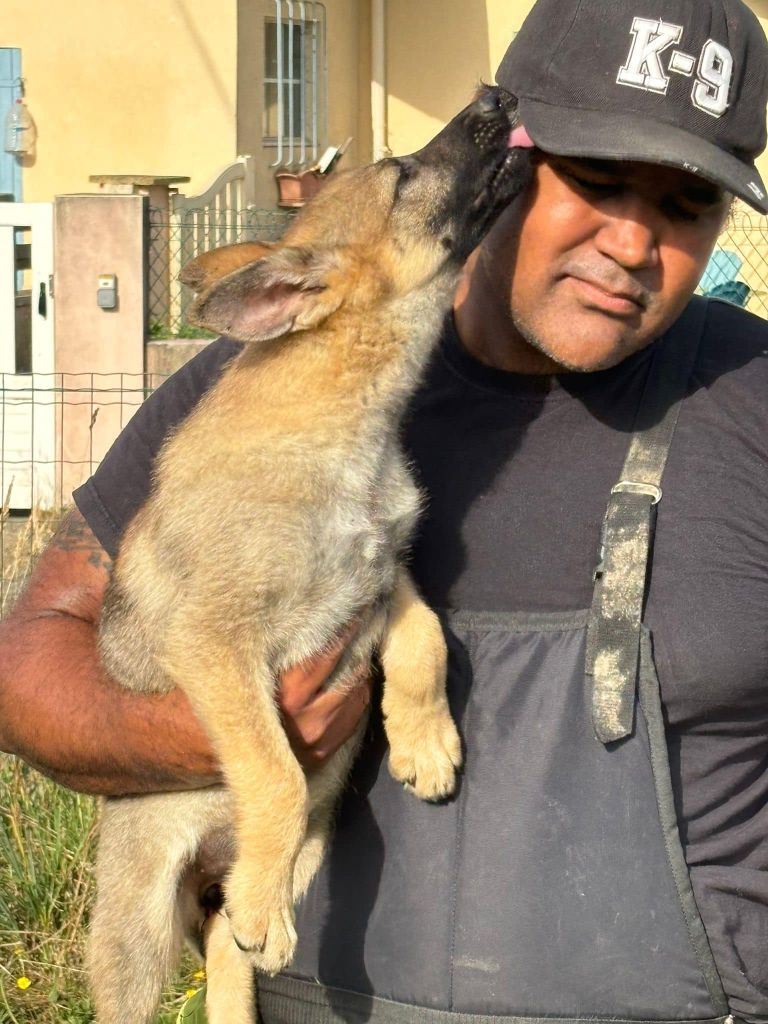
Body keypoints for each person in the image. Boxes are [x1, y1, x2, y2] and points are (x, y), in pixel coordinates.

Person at [2, 0, 768, 1021]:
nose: (633, 241)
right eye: (597, 178)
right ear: (511, 156)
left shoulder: (751, 397)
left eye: (687, 203)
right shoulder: (262, 395)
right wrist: (204, 749)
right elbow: (24, 663)